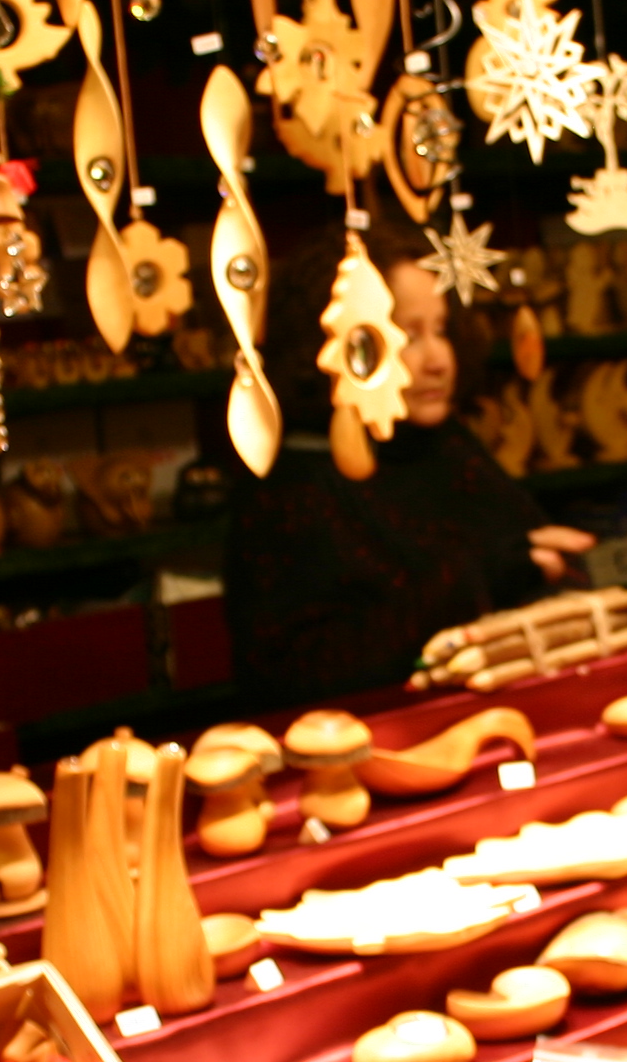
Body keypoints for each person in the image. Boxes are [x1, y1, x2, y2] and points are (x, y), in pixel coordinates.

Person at [223, 216, 595, 704]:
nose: (438, 358)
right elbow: (296, 673)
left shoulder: (446, 445)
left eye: (440, 329)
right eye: (407, 335)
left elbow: (540, 559)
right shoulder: (292, 486)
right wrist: (477, 582)